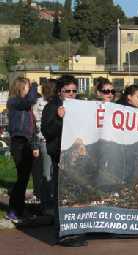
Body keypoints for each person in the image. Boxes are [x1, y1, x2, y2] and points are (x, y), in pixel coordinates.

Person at [41, 75, 87, 247]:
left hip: (77, 159)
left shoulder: (80, 107)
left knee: (74, 195)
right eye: (67, 91)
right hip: (60, 158)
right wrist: (59, 118)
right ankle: (63, 234)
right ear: (59, 92)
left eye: (74, 91)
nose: (71, 94)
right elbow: (48, 132)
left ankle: (75, 230)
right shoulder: (51, 107)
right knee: (61, 196)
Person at [6, 77, 39, 223]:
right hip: (18, 142)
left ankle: (19, 209)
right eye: (26, 87)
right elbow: (29, 101)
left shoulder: (26, 107)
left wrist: (35, 145)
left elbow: (33, 127)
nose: (29, 90)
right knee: (21, 178)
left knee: (24, 178)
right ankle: (14, 210)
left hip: (27, 143)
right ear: (20, 87)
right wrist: (34, 86)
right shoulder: (14, 102)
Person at [32, 79, 56, 215]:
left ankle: (47, 200)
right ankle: (47, 204)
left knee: (48, 172)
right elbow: (36, 126)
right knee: (47, 173)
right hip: (46, 141)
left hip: (46, 141)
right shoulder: (41, 105)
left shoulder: (38, 104)